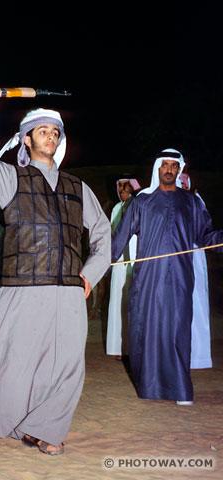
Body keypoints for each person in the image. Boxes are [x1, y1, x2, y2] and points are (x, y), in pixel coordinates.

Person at [0, 83, 111, 455]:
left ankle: (49, 430)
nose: (50, 136)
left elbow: (103, 234)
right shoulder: (10, 178)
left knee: (67, 366)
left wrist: (90, 274)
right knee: (13, 362)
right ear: (26, 140)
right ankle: (20, 423)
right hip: (22, 289)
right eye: (43, 131)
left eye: (55, 132)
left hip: (67, 291)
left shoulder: (77, 187)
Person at [111, 148, 223, 406]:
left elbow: (206, 237)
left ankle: (181, 388)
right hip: (148, 279)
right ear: (158, 169)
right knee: (148, 331)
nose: (170, 170)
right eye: (165, 165)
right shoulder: (141, 202)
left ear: (179, 169)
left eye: (174, 165)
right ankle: (150, 386)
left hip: (181, 279)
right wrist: (96, 268)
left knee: (178, 330)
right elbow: (118, 241)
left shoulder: (192, 203)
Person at [179, 173, 212, 369]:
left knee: (196, 304)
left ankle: (197, 357)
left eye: (184, 182)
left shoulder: (195, 201)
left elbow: (206, 233)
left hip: (195, 261)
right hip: (172, 261)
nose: (181, 185)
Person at [106, 177, 141, 360]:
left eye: (126, 190)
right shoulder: (116, 209)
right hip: (120, 263)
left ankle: (133, 348)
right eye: (120, 190)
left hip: (136, 261)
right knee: (119, 302)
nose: (122, 193)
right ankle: (120, 348)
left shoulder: (140, 206)